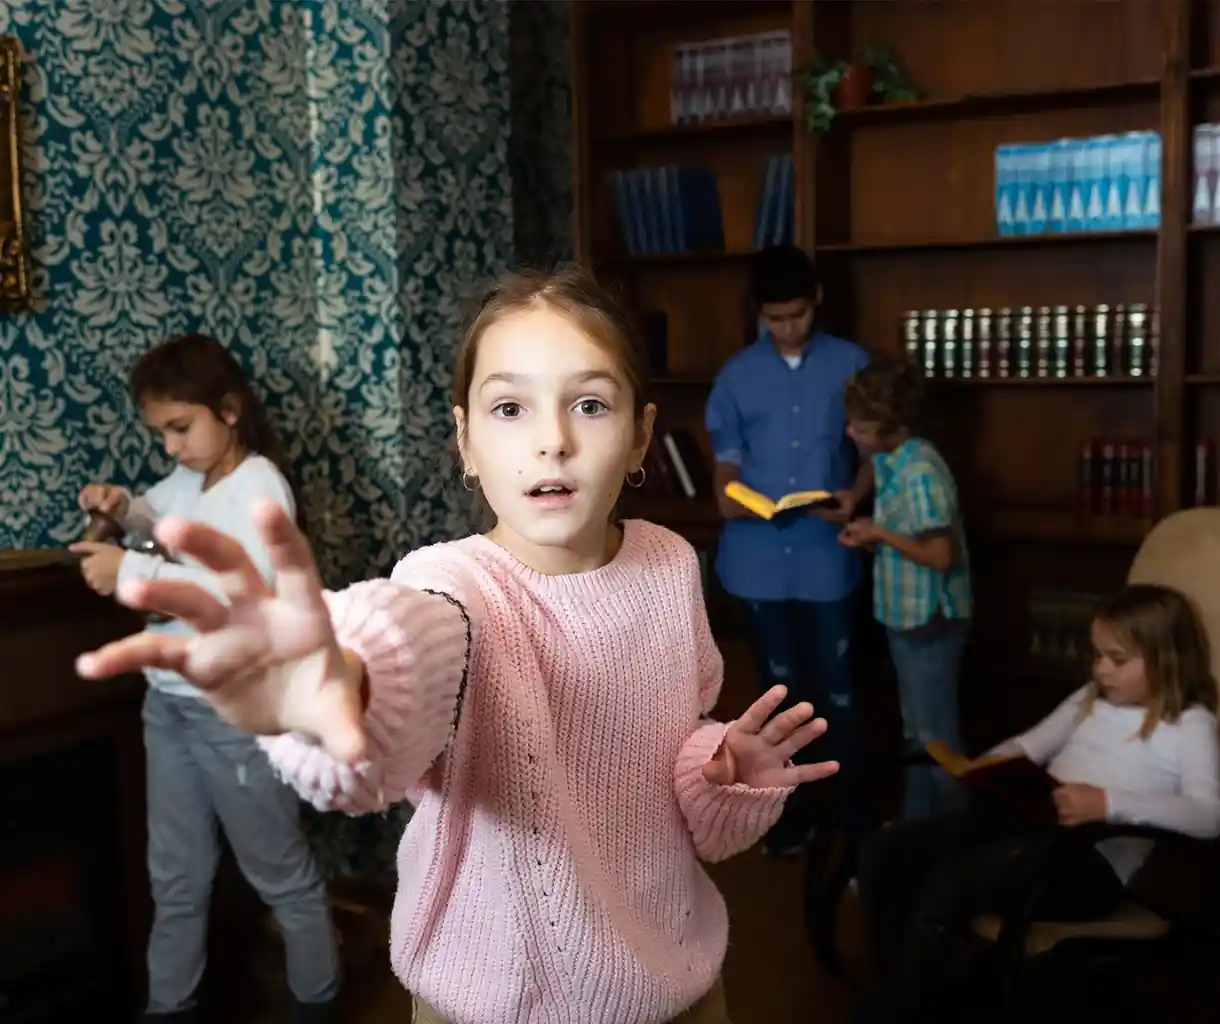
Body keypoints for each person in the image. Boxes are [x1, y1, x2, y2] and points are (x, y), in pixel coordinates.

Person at [74, 267, 841, 1024]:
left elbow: (672, 757)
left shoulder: (669, 564)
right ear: (466, 440)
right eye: (510, 407)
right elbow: (399, 665)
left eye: (589, 403)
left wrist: (720, 770)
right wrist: (338, 686)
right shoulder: (452, 584)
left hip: (677, 986)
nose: (553, 441)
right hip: (496, 1005)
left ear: (641, 436)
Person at [71, 334, 339, 1024]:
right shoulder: (192, 481)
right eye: (160, 432)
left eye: (180, 428)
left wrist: (126, 573)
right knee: (176, 875)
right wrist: (123, 507)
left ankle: (318, 1005)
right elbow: (161, 520)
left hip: (234, 711)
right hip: (170, 706)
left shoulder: (260, 489)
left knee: (278, 873)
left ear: (229, 409)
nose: (171, 446)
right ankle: (171, 1007)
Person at [854, 583, 1220, 1022]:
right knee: (888, 849)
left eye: (1117, 659)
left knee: (951, 882)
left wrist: (1107, 803)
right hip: (1028, 826)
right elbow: (1029, 745)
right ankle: (898, 984)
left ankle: (903, 1007)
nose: (1101, 669)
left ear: (1167, 658)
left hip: (1090, 864)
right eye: (1097, 654)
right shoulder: (1090, 698)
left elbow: (1208, 815)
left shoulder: (1190, 723)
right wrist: (986, 766)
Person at [705, 243, 871, 856]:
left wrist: (855, 495)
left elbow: (878, 454)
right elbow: (725, 477)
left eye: (797, 315)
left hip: (829, 555)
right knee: (777, 695)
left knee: (840, 687)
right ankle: (788, 816)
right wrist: (740, 499)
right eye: (775, 318)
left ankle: (853, 821)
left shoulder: (853, 365)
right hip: (757, 561)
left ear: (817, 302)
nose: (787, 328)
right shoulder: (736, 377)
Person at [839, 353, 973, 821]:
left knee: (937, 742)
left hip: (928, 620)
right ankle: (917, 836)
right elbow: (910, 546)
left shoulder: (920, 474)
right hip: (906, 614)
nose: (850, 433)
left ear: (890, 426)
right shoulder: (891, 461)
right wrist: (871, 537)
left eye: (860, 426)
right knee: (918, 737)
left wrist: (879, 533)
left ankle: (956, 839)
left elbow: (939, 556)